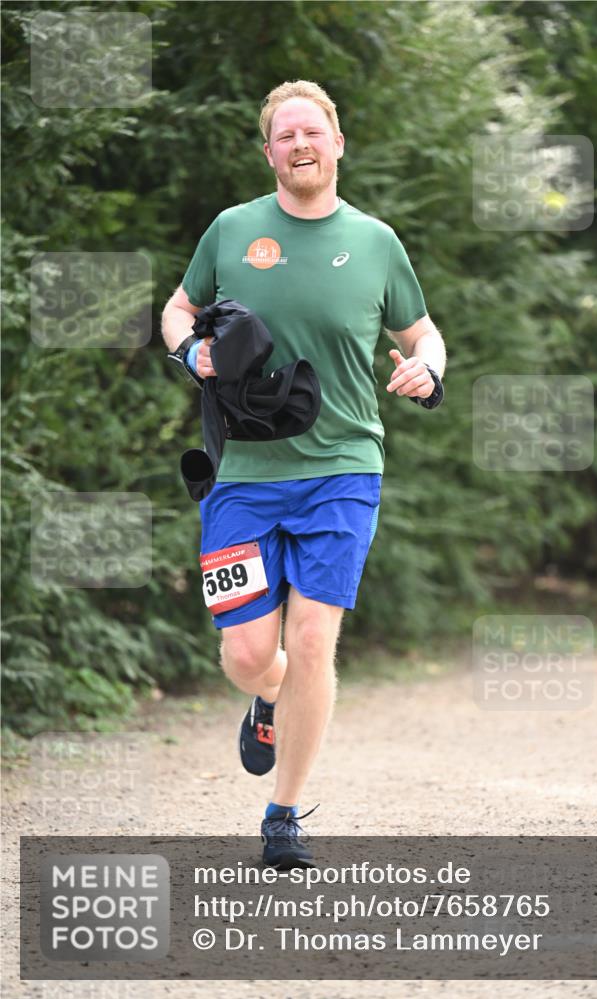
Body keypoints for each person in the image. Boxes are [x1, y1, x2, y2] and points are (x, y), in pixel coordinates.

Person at [161, 80, 446, 868]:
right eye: (284, 136)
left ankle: (282, 812)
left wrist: (427, 369)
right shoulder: (232, 230)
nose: (298, 145)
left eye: (311, 132)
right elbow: (177, 309)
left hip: (343, 468)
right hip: (243, 473)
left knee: (315, 638)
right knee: (250, 655)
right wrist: (191, 351)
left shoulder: (377, 242)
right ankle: (265, 697)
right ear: (269, 152)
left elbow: (424, 332)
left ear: (337, 142)